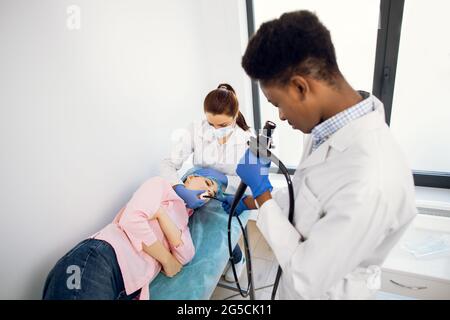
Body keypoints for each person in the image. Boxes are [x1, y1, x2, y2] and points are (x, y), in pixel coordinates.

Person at [225, 10, 417, 299]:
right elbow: (307, 195)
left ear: (301, 87)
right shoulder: (327, 129)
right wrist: (252, 201)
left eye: (278, 102)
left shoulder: (372, 179)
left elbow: (305, 278)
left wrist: (262, 193)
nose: (281, 115)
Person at [42, 168, 226, 300]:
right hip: (100, 261)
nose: (208, 192)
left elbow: (186, 256)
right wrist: (167, 260)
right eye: (208, 183)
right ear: (191, 177)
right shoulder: (161, 186)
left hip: (128, 288)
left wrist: (161, 216)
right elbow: (132, 220)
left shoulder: (184, 221)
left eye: (212, 193)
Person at [160, 83, 252, 282]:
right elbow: (168, 163)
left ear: (235, 117)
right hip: (196, 184)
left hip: (229, 191)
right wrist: (180, 189)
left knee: (217, 232)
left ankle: (237, 257)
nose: (215, 130)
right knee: (182, 226)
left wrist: (223, 180)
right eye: (211, 124)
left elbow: (252, 182)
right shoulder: (195, 130)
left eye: (222, 126)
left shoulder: (247, 140)